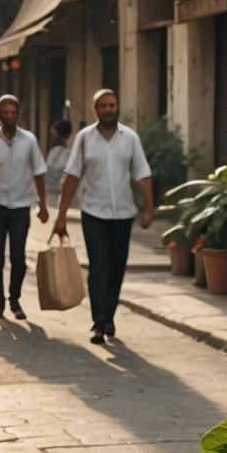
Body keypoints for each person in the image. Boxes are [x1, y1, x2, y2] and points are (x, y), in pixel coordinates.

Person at [52, 89, 153, 344]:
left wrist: (149, 207)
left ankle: (109, 316)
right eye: (104, 106)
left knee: (117, 268)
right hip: (93, 212)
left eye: (113, 105)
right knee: (98, 267)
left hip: (123, 214)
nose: (109, 109)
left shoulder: (129, 138)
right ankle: (98, 322)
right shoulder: (85, 139)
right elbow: (72, 176)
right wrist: (61, 215)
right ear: (94, 109)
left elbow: (142, 172)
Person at [0, 95, 48, 320]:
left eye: (13, 113)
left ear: (18, 115)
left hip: (20, 207)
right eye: (5, 113)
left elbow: (39, 172)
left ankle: (14, 298)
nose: (9, 117)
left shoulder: (29, 141)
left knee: (18, 256)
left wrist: (43, 205)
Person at [44, 119, 73, 201]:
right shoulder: (54, 151)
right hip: (50, 194)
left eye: (53, 135)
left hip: (59, 196)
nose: (51, 139)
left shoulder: (67, 153)